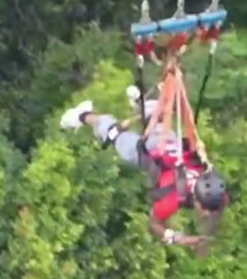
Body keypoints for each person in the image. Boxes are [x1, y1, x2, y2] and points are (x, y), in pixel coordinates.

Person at [59, 89, 228, 254]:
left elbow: (216, 210)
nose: (206, 212)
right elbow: (154, 223)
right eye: (205, 208)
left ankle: (142, 104)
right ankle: (83, 115)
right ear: (197, 199)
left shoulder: (215, 191)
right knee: (114, 134)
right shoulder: (172, 198)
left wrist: (207, 237)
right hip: (147, 154)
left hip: (168, 142)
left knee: (156, 120)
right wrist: (178, 238)